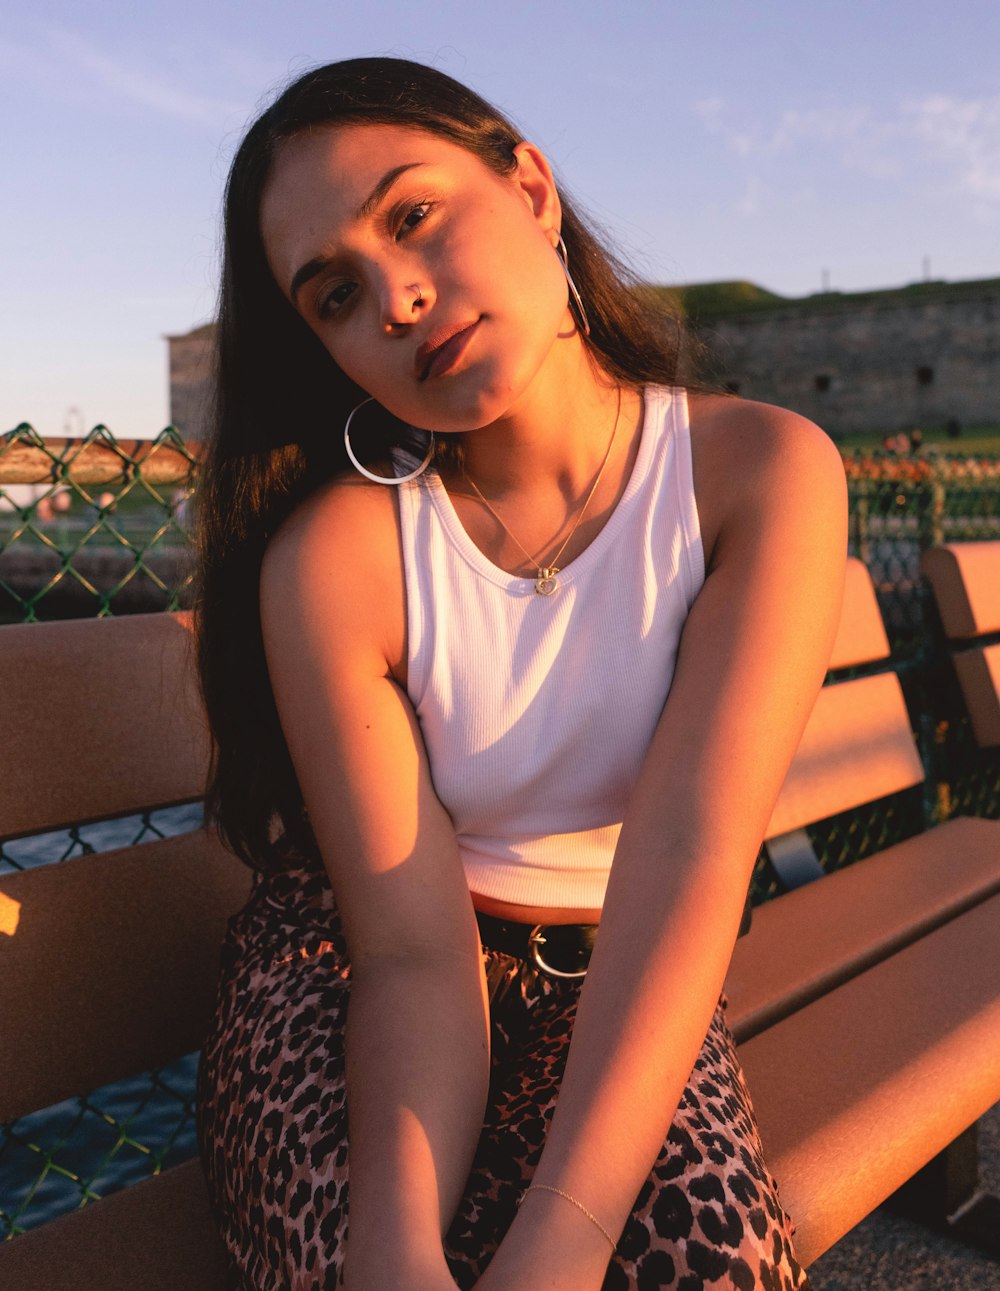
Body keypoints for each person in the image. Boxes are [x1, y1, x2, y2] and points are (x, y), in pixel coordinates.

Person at [194, 57, 847, 1291]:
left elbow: (688, 861)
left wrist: (566, 1234)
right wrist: (392, 1247)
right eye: (334, 292)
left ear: (531, 188)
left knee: (697, 1265)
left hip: (629, 958)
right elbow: (407, 950)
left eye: (412, 214)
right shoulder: (337, 561)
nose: (391, 295)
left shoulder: (755, 472)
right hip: (351, 964)